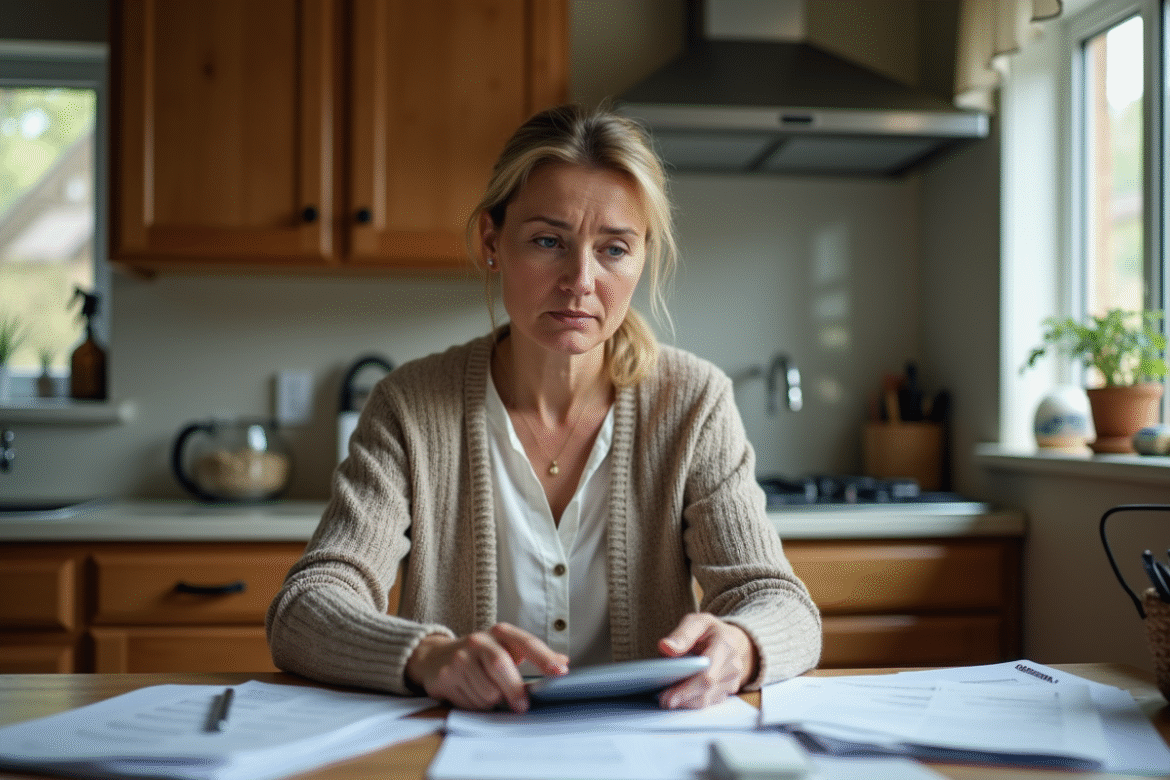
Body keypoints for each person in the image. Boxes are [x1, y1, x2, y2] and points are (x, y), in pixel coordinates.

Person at [266, 104, 821, 713]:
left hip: (648, 743)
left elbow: (781, 603)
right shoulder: (410, 406)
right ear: (492, 241)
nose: (580, 279)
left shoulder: (694, 402)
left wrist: (740, 644)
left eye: (614, 249)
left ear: (643, 256)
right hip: (462, 745)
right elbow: (306, 607)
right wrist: (427, 656)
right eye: (548, 241)